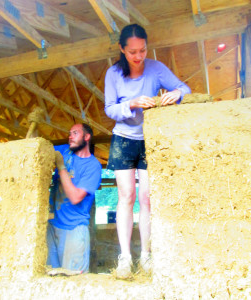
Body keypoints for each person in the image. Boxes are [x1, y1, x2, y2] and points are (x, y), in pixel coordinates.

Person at [104, 24, 191, 279]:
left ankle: (146, 256)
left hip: (149, 139)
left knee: (147, 198)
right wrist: (130, 103)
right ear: (122, 49)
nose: (138, 56)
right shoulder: (113, 74)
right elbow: (110, 109)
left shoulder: (156, 68)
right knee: (127, 196)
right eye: (132, 52)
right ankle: (125, 258)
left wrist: (176, 94)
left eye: (142, 50)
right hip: (123, 138)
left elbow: (184, 88)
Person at [47, 123, 102, 273]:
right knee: (48, 279)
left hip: (74, 229)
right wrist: (33, 137)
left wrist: (61, 167)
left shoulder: (93, 166)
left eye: (75, 133)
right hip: (51, 226)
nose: (70, 136)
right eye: (69, 133)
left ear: (87, 137)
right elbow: (37, 150)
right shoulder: (64, 150)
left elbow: (75, 197)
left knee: (72, 282)